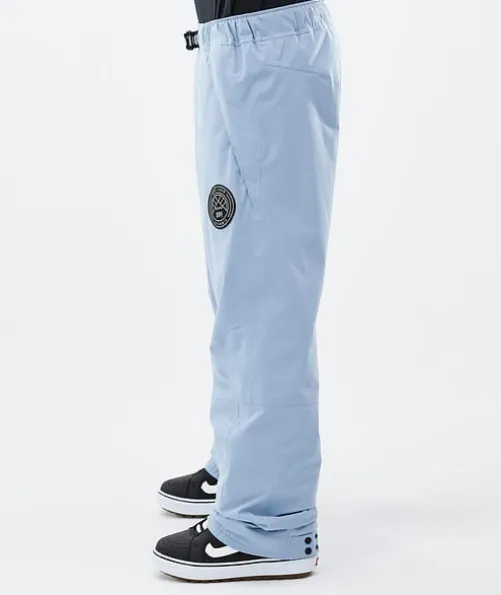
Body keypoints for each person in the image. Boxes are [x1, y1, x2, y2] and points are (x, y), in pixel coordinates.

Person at [153, 0, 340, 582]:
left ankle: (269, 518)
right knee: (237, 278)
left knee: (266, 285)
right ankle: (242, 463)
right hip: (235, 43)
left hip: (267, 46)